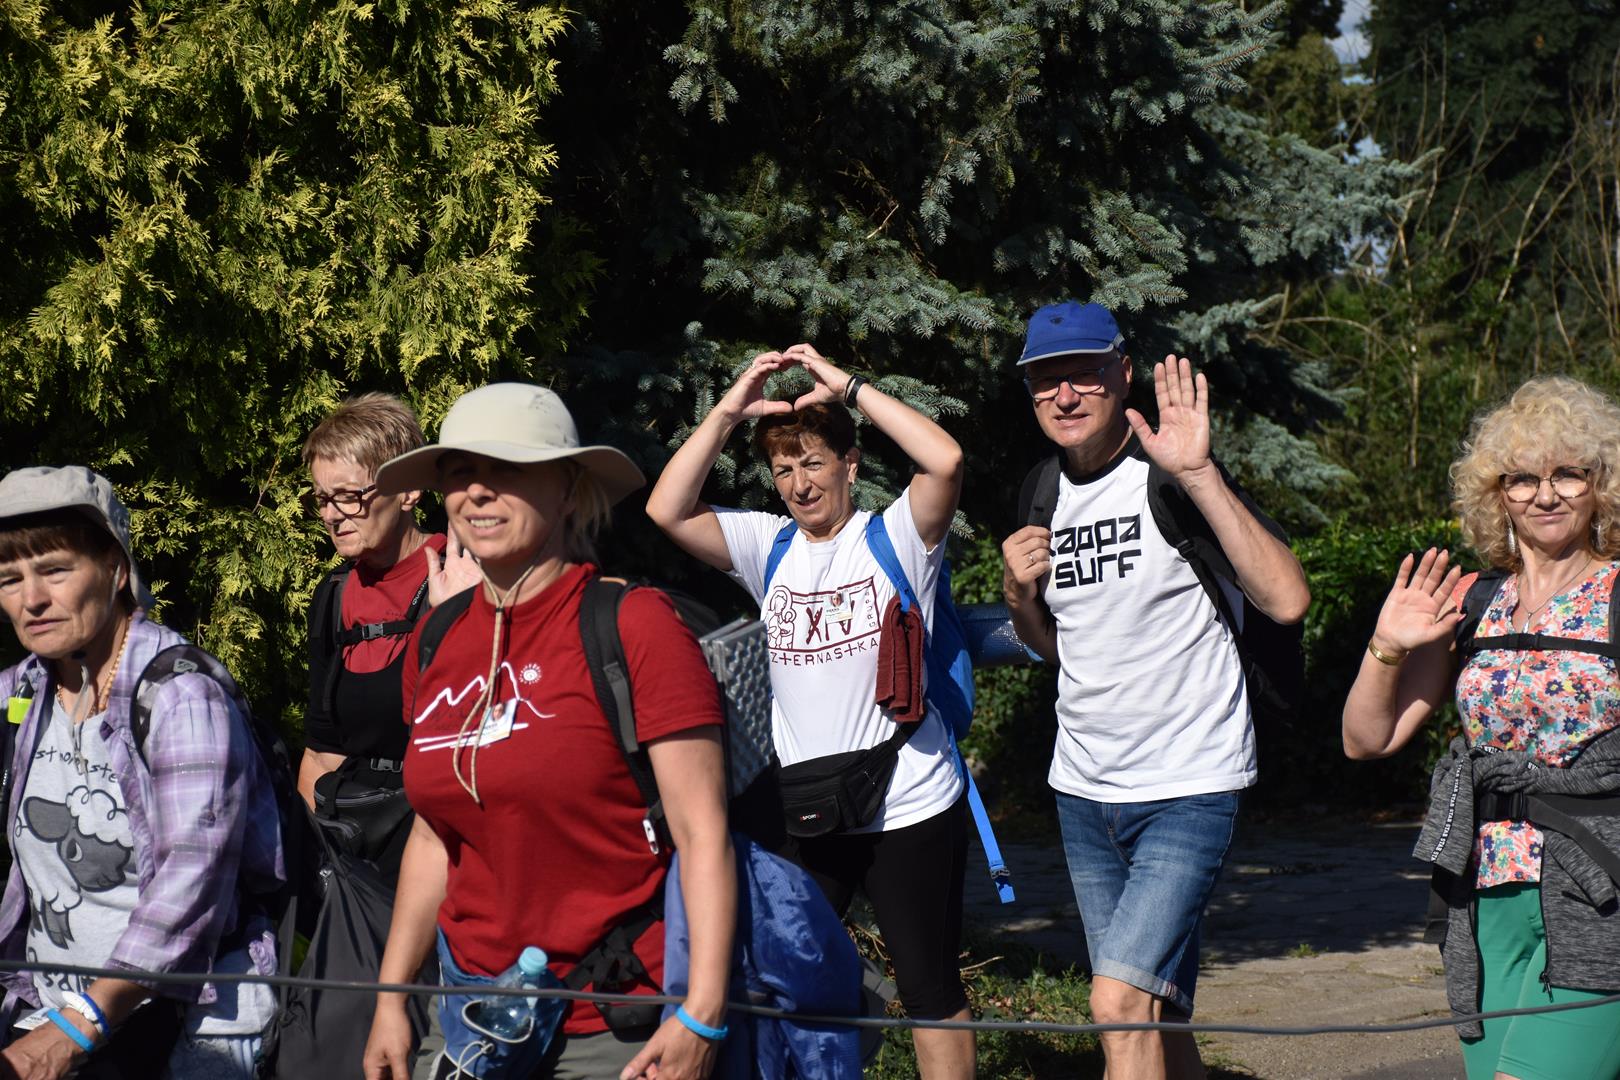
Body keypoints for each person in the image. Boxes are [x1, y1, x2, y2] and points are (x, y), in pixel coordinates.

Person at [361, 383, 736, 1080]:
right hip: (469, 1013)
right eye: (459, 472)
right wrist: (391, 999)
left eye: (506, 468)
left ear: (568, 489)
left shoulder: (634, 626)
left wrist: (701, 1016)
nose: (477, 491)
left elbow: (702, 833)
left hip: (613, 1019)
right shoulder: (436, 640)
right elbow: (434, 834)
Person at [647, 343, 975, 1079]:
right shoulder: (768, 546)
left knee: (928, 991)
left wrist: (849, 386)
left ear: (850, 465)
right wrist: (730, 410)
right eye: (784, 470)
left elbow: (946, 460)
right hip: (811, 808)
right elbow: (666, 508)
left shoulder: (897, 536)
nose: (799, 484)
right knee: (783, 975)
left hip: (909, 803)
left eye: (815, 464)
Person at [999, 301, 1309, 1080]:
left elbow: (1286, 599)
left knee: (1119, 1005)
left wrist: (1199, 473)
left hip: (1188, 785)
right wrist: (1019, 598)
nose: (1064, 395)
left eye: (1083, 374)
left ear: (1123, 374)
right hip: (1083, 793)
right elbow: (1055, 648)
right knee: (1159, 1016)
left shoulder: (1170, 477)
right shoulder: (1040, 490)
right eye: (1046, 380)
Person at [1343, 376, 1620, 1080]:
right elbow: (1365, 739)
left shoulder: (1616, 593)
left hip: (1600, 889)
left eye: (1568, 473)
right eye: (1522, 478)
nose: (1546, 495)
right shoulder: (1473, 601)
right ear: (1497, 495)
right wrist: (1387, 645)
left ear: (1600, 485)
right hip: (1484, 888)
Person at [0, 466, 284, 1078]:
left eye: (55, 570)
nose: (31, 599)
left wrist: (79, 1025)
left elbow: (192, 878)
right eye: (9, 579)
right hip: (51, 1009)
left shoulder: (182, 697)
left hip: (183, 1022)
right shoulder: (22, 692)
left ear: (115, 569)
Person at [301, 392, 476, 877]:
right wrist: (313, 870)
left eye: (349, 496)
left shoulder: (463, 579)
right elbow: (321, 753)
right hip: (356, 858)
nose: (332, 515)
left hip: (446, 852)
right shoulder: (333, 597)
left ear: (408, 491)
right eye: (322, 499)